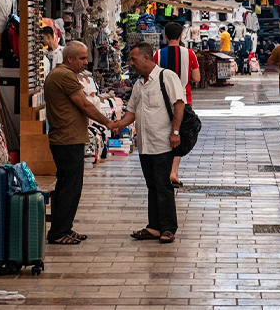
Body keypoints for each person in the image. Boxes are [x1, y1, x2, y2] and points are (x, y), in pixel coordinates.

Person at [44, 41, 115, 245]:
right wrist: (108, 122)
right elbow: (85, 105)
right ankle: (58, 232)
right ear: (70, 59)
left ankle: (64, 228)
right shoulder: (65, 76)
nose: (86, 62)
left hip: (67, 138)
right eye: (82, 58)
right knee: (69, 187)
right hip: (67, 140)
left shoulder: (61, 75)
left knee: (70, 186)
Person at [115, 42, 186, 244]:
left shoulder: (166, 77)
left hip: (163, 142)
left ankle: (168, 228)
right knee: (152, 186)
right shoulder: (139, 85)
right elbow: (132, 111)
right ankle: (154, 226)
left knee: (163, 186)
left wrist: (175, 131)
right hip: (145, 145)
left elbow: (179, 104)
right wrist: (119, 125)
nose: (131, 63)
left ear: (147, 58)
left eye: (134, 59)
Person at [154, 22, 201, 189]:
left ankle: (164, 171)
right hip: (184, 101)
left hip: (162, 101)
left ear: (165, 36)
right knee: (178, 134)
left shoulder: (157, 55)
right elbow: (196, 78)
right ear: (181, 36)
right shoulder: (189, 54)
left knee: (163, 134)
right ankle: (173, 172)